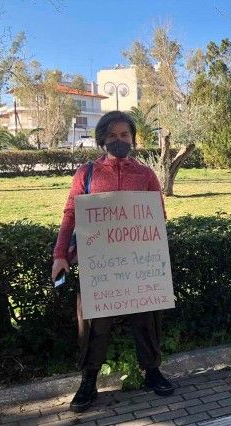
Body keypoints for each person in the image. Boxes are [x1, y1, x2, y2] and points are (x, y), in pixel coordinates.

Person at [51, 111, 174, 412]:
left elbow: (158, 217)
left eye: (125, 135)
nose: (119, 140)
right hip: (100, 269)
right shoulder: (86, 173)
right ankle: (89, 380)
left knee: (147, 320)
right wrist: (59, 255)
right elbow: (71, 215)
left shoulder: (146, 175)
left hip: (137, 266)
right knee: (94, 324)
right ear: (102, 138)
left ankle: (152, 371)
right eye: (113, 135)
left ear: (132, 139)